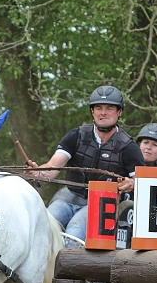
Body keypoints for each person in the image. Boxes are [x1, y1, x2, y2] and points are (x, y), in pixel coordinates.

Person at [27, 86, 145, 245]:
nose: (103, 112)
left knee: (72, 234)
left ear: (119, 112)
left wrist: (132, 183)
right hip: (68, 198)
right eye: (99, 108)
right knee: (42, 227)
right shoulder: (76, 135)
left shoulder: (129, 147)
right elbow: (52, 168)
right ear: (92, 112)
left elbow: (144, 185)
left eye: (109, 108)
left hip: (100, 206)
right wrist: (37, 172)